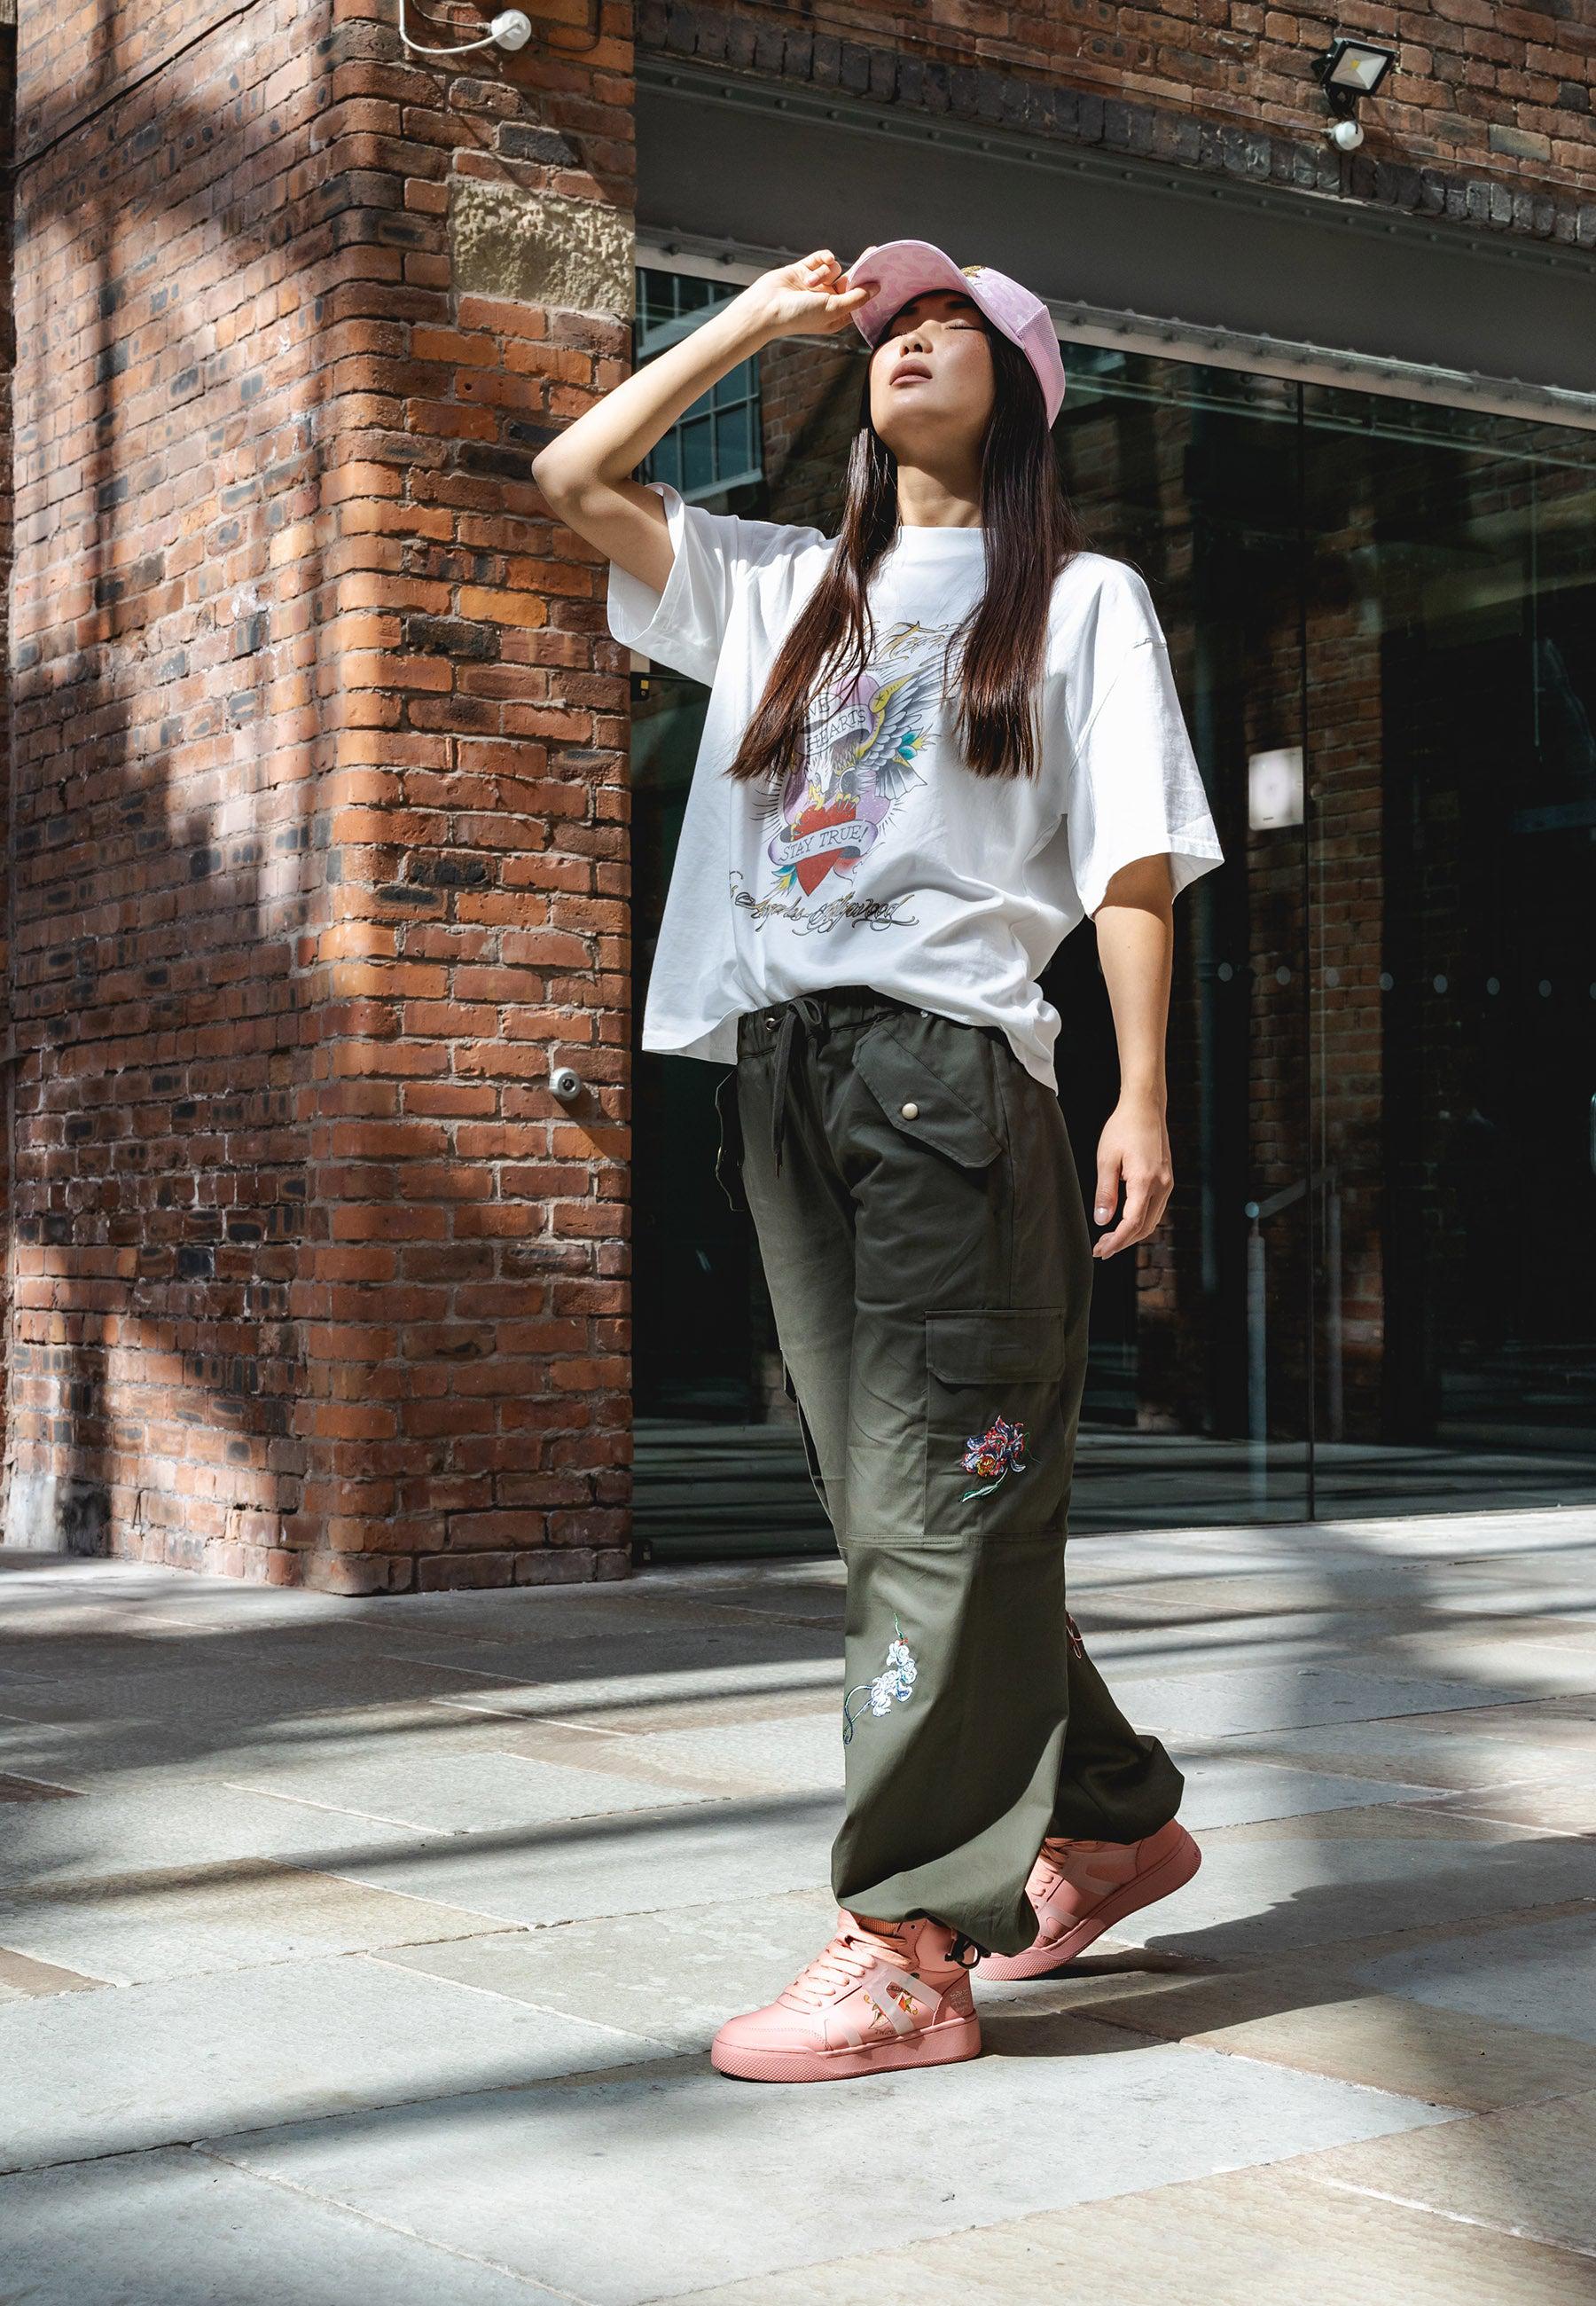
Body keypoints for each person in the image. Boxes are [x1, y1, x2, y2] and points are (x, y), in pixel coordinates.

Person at [531, 239, 1224, 2085]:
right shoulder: (783, 583)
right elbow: (574, 477)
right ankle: (1111, 1821)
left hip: (947, 1077)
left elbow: (1131, 860)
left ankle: (912, 1946)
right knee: (901, 1508)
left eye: (952, 328)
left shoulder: (1078, 599)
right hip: (782, 1072)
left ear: (1025, 392)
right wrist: (749, 324)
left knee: (935, 1502)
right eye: (891, 328)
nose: (910, 343)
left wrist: (1141, 1093)